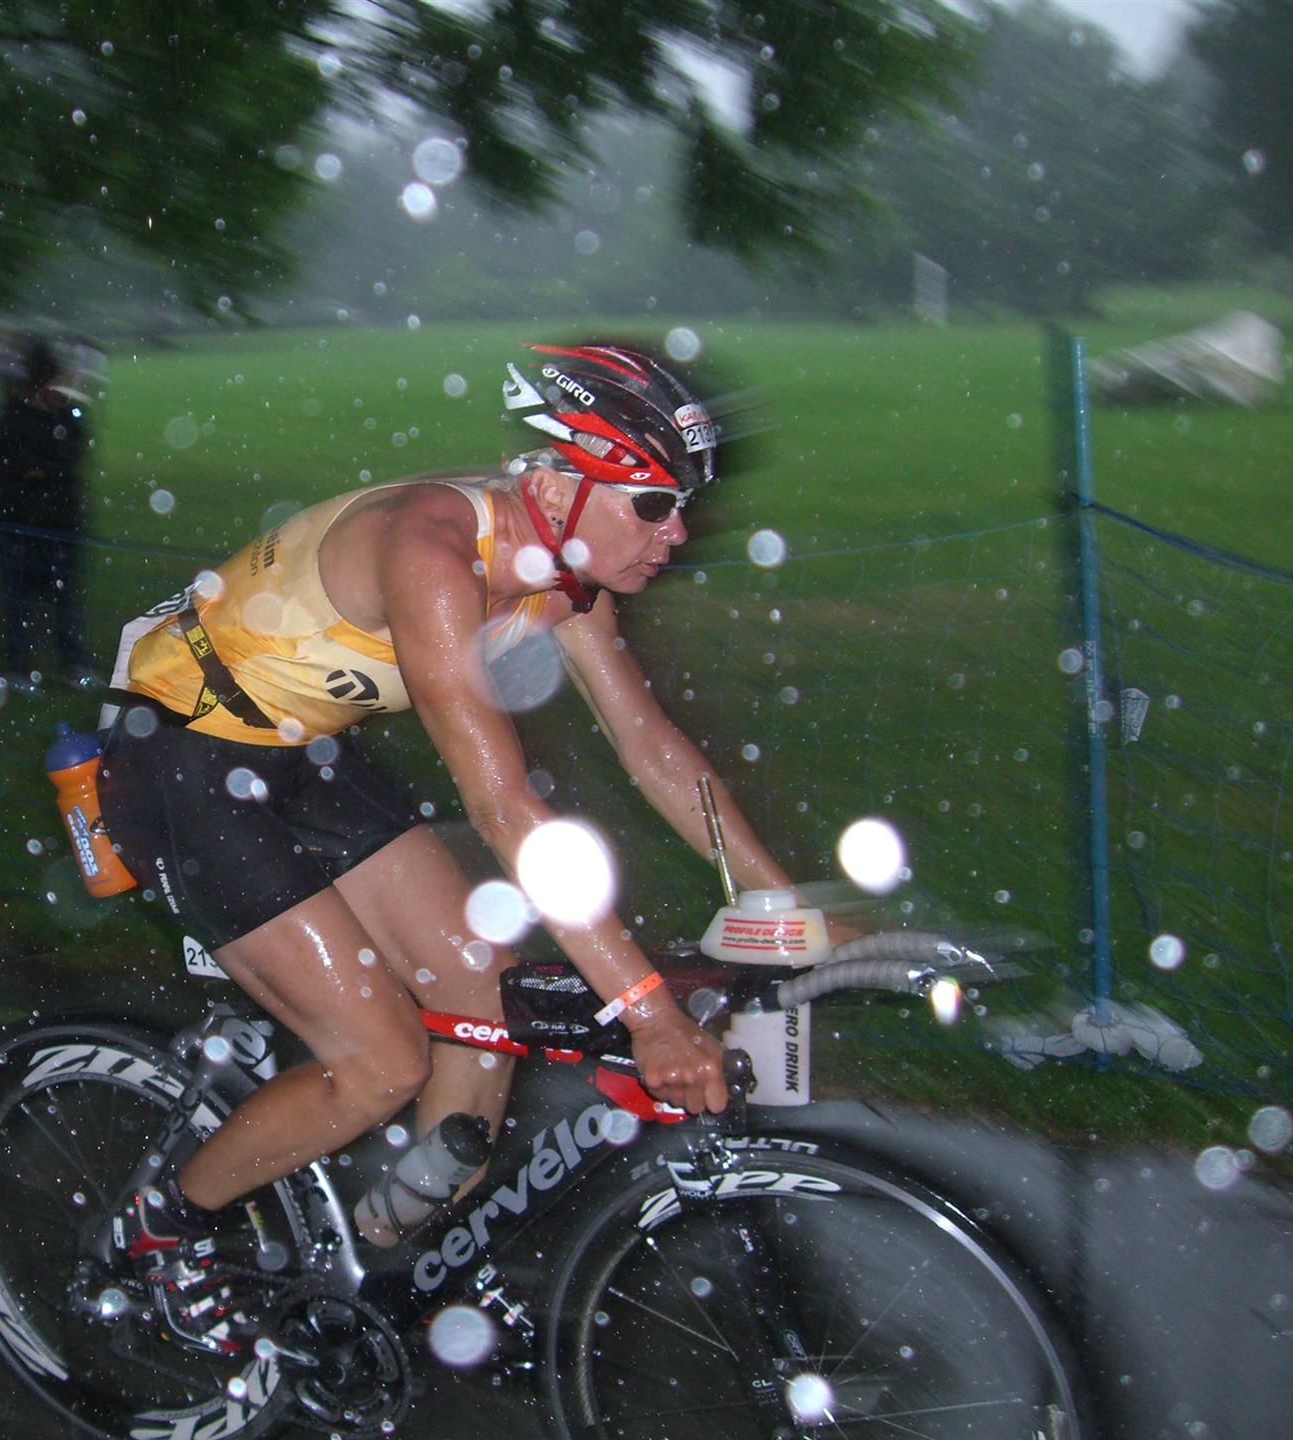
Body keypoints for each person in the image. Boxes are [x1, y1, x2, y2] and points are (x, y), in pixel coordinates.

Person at [92, 342, 798, 1321]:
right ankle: (160, 1231)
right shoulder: (431, 553)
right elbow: (504, 809)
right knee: (380, 1060)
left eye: (682, 506)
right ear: (558, 486)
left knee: (485, 997)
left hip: (296, 749)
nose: (676, 533)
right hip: (178, 755)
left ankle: (393, 1274)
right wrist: (648, 1014)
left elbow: (651, 747)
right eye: (652, 504)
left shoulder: (571, 570)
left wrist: (779, 904)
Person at [0, 337, 96, 689]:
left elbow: (68, 459)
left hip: (57, 519)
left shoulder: (64, 416)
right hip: (21, 520)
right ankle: (18, 667)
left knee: (64, 598)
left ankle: (71, 663)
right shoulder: (13, 415)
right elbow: (0, 464)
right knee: (18, 600)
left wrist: (38, 469)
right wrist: (35, 470)